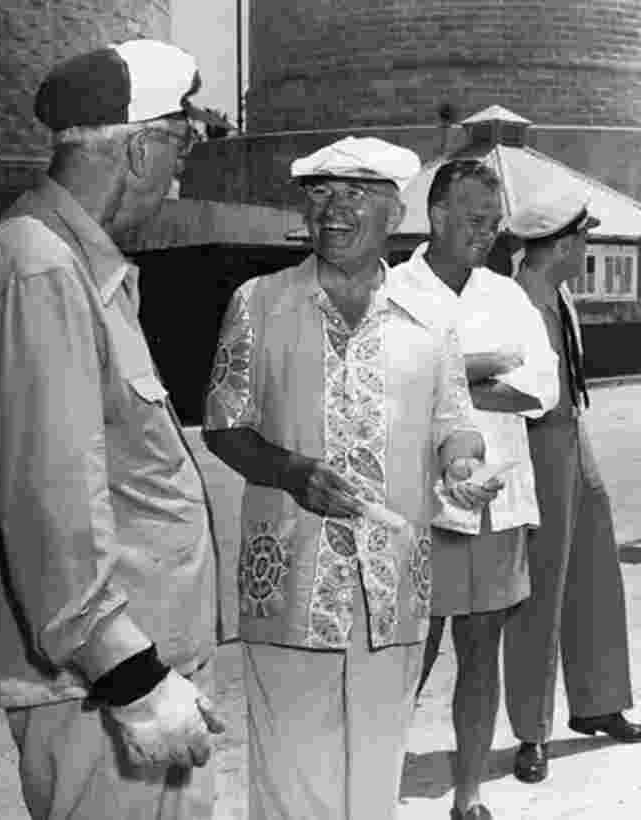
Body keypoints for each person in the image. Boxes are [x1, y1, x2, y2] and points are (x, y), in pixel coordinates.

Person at [0, 40, 224, 820]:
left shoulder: (77, 263)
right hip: (101, 691)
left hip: (136, 674)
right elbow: (51, 505)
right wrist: (131, 679)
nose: (179, 175)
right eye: (179, 146)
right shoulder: (40, 269)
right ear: (137, 147)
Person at [201, 137, 495, 820]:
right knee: (290, 778)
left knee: (375, 773)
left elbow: (455, 418)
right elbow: (223, 423)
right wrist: (290, 471)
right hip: (288, 582)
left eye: (354, 195)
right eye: (320, 194)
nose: (331, 210)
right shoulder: (259, 302)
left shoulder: (431, 317)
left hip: (393, 585)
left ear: (397, 213)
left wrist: (462, 464)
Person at [393, 159, 560, 820]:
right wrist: (488, 370)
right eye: (472, 220)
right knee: (408, 656)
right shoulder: (392, 289)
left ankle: (468, 794)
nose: (485, 234)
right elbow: (389, 379)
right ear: (435, 216)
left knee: (481, 655)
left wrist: (447, 378)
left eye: (493, 223)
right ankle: (373, 786)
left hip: (495, 503)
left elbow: (541, 392)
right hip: (417, 503)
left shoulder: (506, 295)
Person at [504, 190, 641, 785]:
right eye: (583, 239)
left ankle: (598, 701)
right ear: (562, 246)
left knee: (594, 567)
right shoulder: (513, 302)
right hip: (533, 441)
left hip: (572, 432)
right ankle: (531, 733)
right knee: (539, 586)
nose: (588, 247)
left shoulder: (558, 294)